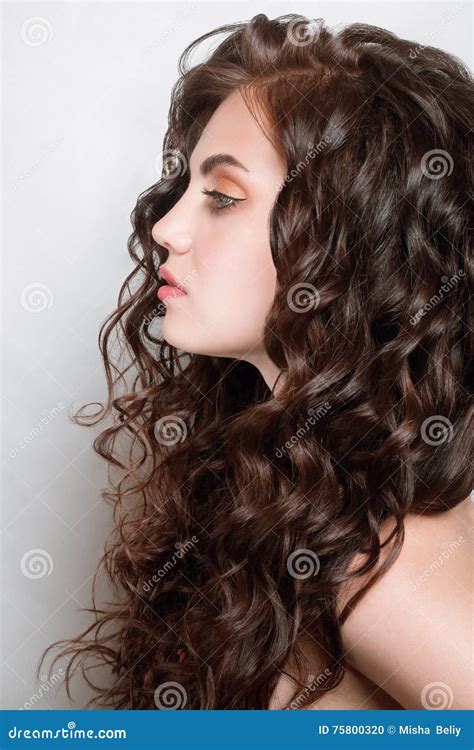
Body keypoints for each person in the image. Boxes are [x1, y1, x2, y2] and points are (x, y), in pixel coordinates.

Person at [38, 13, 473, 710]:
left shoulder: (384, 564)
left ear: (351, 245)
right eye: (187, 190)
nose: (166, 228)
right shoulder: (295, 490)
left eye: (222, 197)